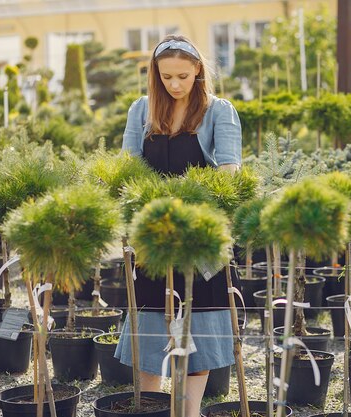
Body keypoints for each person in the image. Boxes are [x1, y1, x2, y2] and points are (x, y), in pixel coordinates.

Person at [115, 34, 242, 416]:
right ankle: (150, 408)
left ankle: (188, 412)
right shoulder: (142, 110)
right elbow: (127, 168)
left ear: (198, 70)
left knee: (198, 328)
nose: (174, 84)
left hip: (200, 233)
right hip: (152, 233)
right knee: (150, 327)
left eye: (183, 77)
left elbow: (230, 171)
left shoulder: (219, 111)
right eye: (166, 76)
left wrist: (195, 207)